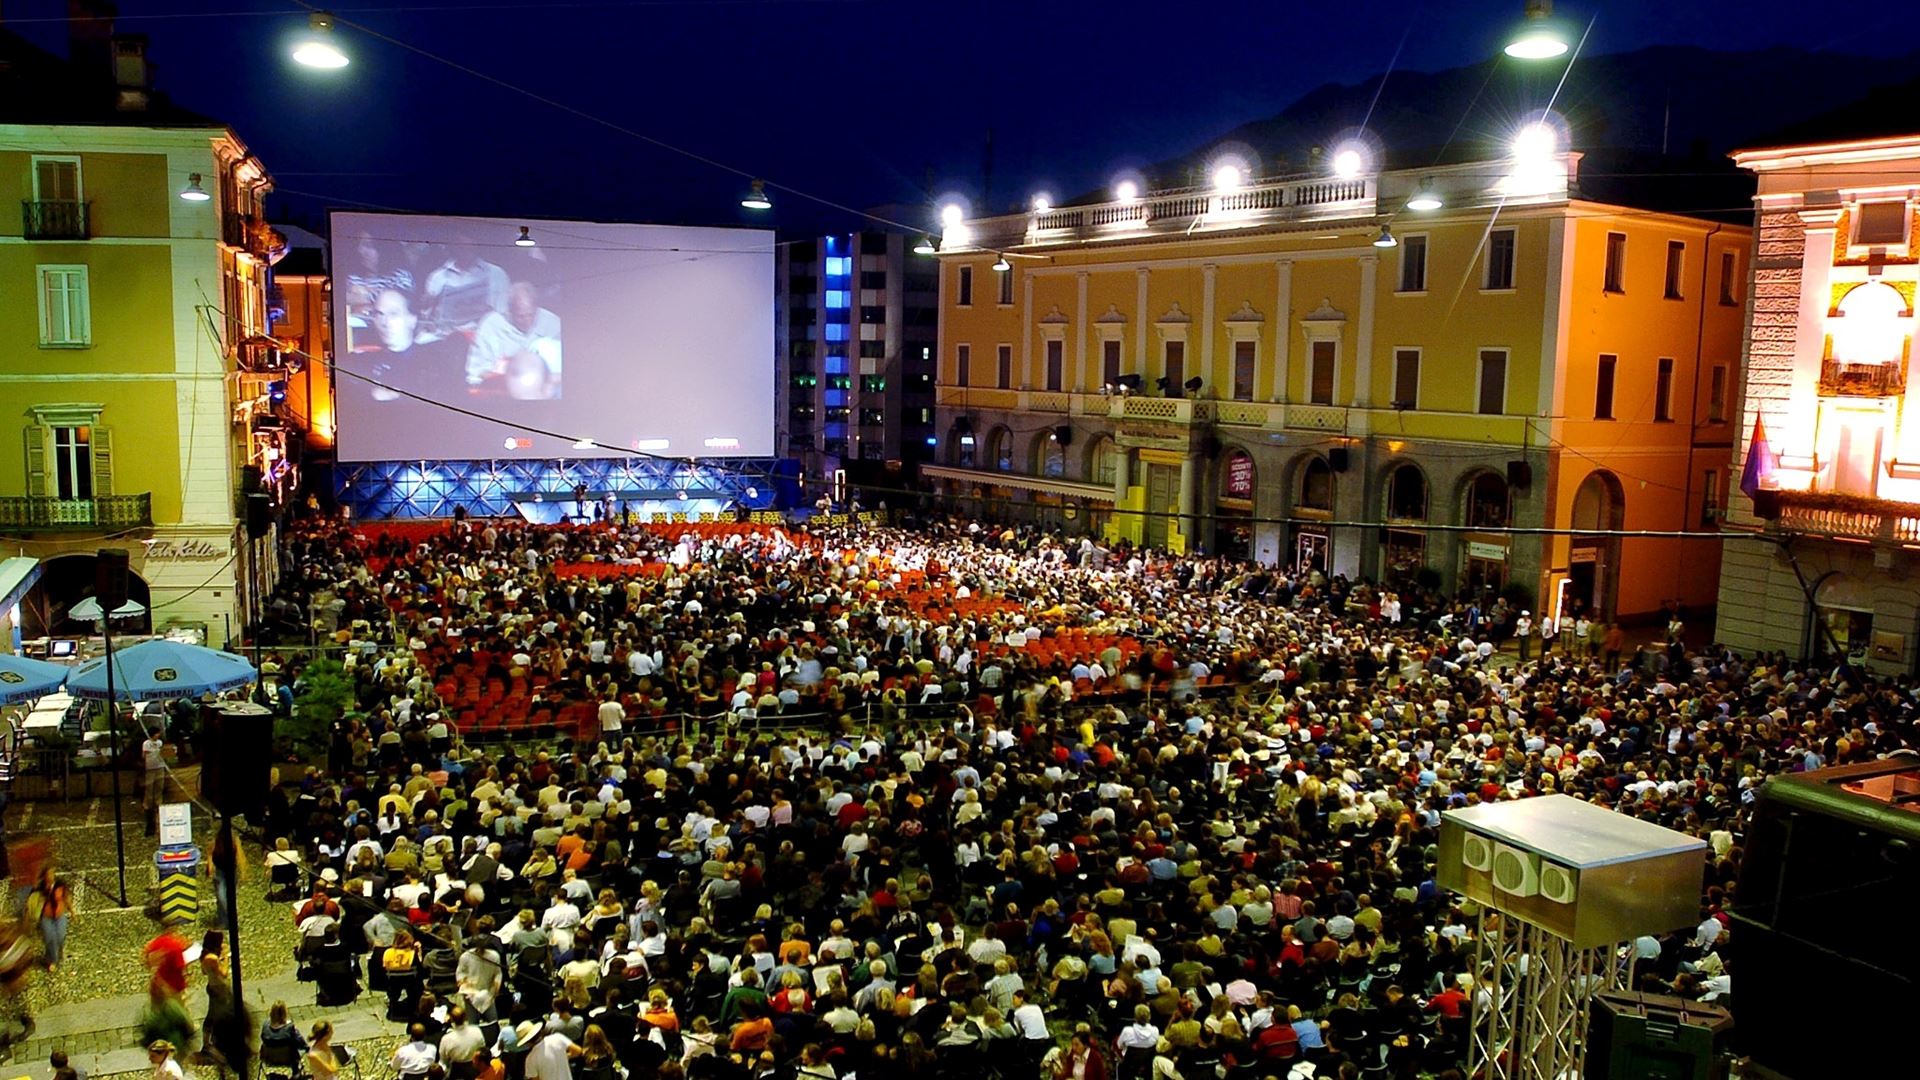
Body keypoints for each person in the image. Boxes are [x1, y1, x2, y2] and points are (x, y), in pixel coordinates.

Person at [362, 288, 474, 401]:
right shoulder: (365, 361)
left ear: (412, 320)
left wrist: (397, 397)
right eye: (379, 314)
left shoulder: (435, 361)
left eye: (393, 314)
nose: (384, 322)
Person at [465, 282, 562, 394]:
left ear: (537, 309)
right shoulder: (491, 325)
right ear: (509, 311)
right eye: (521, 316)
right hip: (501, 394)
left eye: (531, 315)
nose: (527, 321)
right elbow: (477, 374)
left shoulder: (553, 323)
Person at [27, 865, 71, 971]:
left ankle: (57, 952)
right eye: (48, 874)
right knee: (50, 938)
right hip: (46, 917)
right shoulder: (40, 887)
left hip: (59, 915)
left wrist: (71, 910)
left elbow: (66, 897)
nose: (50, 876)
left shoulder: (60, 884)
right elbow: (32, 900)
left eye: (52, 873)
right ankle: (52, 960)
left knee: (60, 935)